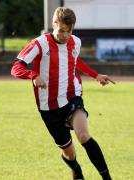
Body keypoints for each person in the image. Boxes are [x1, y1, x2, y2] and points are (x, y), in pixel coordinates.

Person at [11, 7, 115, 180]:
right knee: (69, 152)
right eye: (61, 31)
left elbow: (74, 60)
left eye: (68, 31)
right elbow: (16, 67)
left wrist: (95, 75)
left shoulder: (76, 42)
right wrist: (33, 75)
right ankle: (76, 169)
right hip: (48, 106)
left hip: (71, 95)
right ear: (54, 25)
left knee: (83, 136)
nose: (64, 35)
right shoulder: (39, 43)